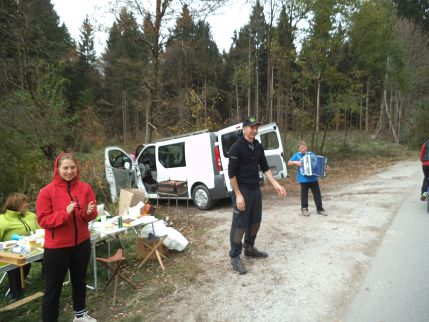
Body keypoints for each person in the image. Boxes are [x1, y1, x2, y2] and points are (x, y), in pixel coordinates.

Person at [36, 153, 97, 322]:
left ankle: (80, 315)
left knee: (79, 281)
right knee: (53, 290)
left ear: (77, 168)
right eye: (65, 168)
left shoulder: (85, 188)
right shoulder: (46, 192)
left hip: (82, 244)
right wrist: (64, 214)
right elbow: (42, 220)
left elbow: (89, 215)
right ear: (58, 169)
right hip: (57, 249)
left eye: (72, 167)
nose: (69, 171)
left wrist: (89, 213)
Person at [228, 117, 287, 274]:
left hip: (255, 190)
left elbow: (265, 168)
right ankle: (234, 257)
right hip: (242, 190)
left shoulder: (258, 146)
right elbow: (231, 174)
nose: (254, 130)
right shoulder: (236, 147)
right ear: (244, 129)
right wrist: (238, 195)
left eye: (256, 128)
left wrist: (276, 185)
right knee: (240, 224)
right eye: (251, 127)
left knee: (255, 221)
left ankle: (249, 247)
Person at [0, 193, 39, 300]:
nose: (27, 205)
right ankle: (14, 295)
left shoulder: (31, 215)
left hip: (34, 249)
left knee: (52, 255)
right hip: (10, 254)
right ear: (14, 205)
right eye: (23, 203)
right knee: (17, 264)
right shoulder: (3, 220)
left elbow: (40, 231)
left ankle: (49, 280)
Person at [288, 140, 327, 217]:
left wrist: (324, 167)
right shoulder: (297, 155)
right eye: (301, 148)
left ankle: (320, 209)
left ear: (306, 147)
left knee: (317, 194)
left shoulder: (311, 154)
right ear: (298, 149)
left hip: (313, 178)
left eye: (304, 147)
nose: (303, 149)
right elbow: (289, 163)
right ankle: (304, 209)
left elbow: (317, 162)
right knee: (304, 195)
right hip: (303, 179)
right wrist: (296, 162)